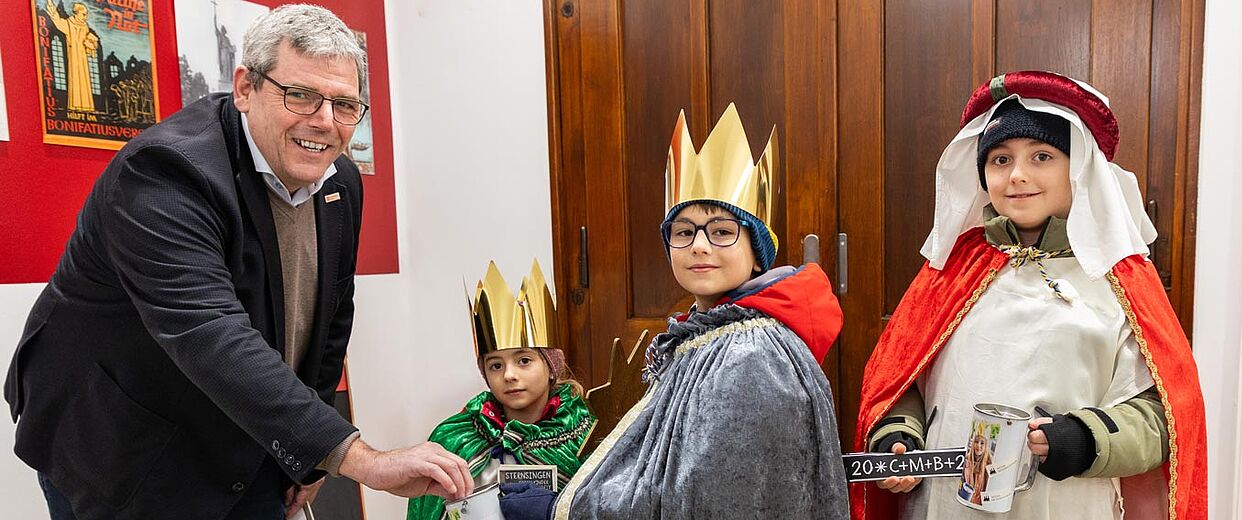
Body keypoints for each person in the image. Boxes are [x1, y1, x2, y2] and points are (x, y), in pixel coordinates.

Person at [5, 6, 473, 519]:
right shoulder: (165, 172)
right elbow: (209, 333)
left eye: (344, 104)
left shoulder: (340, 179)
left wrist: (311, 460)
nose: (324, 121)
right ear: (246, 87)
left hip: (247, 429)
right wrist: (352, 456)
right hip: (120, 437)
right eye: (301, 95)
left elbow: (330, 318)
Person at [852, 71, 1207, 520]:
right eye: (1000, 160)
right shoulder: (953, 270)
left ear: (1077, 168)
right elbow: (905, 380)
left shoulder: (1118, 278)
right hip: (944, 506)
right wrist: (898, 434)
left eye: (1041, 156)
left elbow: (1165, 419)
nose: (1017, 175)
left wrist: (1087, 438)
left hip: (1064, 505)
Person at [546, 104, 849, 519]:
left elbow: (704, 499)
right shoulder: (706, 335)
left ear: (757, 254)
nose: (699, 246)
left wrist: (573, 504)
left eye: (722, 231)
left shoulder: (752, 356)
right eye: (683, 232)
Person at [406, 261, 595, 520]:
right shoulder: (453, 439)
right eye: (495, 365)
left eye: (524, 360)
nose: (509, 375)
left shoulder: (589, 434)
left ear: (551, 366)